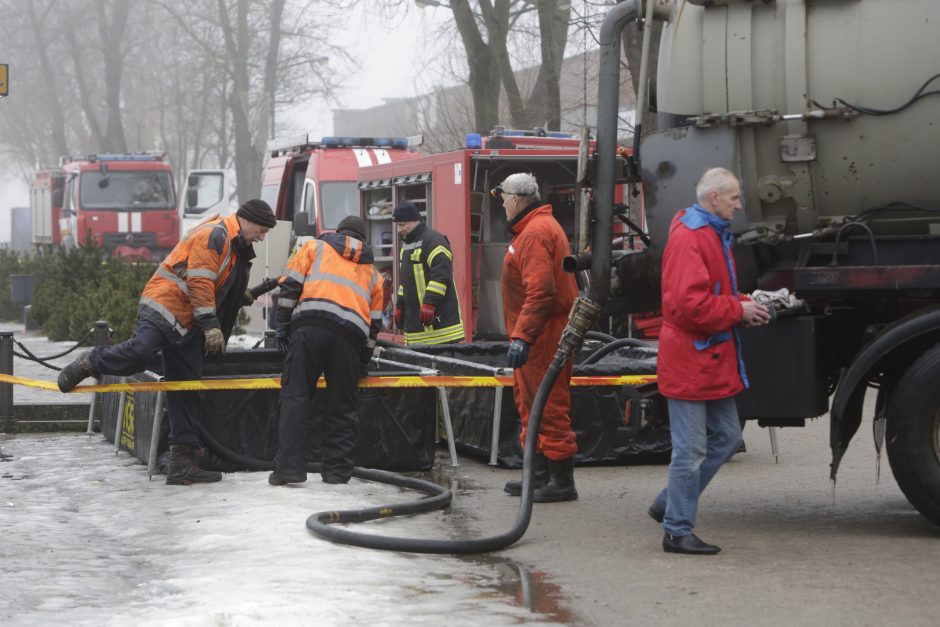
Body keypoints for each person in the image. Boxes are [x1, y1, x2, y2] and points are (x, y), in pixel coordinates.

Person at [57, 200, 275, 485]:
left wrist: (239, 294)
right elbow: (199, 282)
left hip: (188, 324)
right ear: (247, 220)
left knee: (186, 390)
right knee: (140, 353)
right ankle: (92, 361)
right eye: (262, 229)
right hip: (166, 309)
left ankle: (182, 464)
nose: (262, 236)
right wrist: (211, 326)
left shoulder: (233, 244)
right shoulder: (216, 235)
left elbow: (215, 279)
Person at [649, 167, 771, 555]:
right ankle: (676, 530)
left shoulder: (704, 231)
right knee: (690, 451)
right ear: (714, 198)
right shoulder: (694, 238)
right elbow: (689, 307)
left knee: (728, 437)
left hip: (704, 358)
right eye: (734, 198)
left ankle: (670, 504)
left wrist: (738, 302)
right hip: (694, 359)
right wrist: (738, 309)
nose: (740, 204)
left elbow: (700, 298)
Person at [269, 215, 383, 486]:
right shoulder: (374, 274)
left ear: (338, 231)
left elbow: (289, 288)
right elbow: (374, 324)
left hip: (309, 328)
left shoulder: (313, 248)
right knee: (343, 406)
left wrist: (282, 328)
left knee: (296, 399)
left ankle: (289, 470)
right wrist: (362, 360)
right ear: (363, 240)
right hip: (350, 339)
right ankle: (337, 473)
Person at [497, 172, 579, 503]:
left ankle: (560, 481)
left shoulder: (533, 234)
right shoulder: (536, 228)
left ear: (516, 199)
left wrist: (524, 337)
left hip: (544, 333)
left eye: (502, 196)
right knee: (532, 402)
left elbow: (541, 291)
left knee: (548, 405)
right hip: (539, 331)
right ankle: (540, 474)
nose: (501, 202)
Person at [392, 202, 465, 345]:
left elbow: (441, 277)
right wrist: (400, 306)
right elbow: (405, 283)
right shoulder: (406, 246)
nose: (398, 229)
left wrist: (429, 304)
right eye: (397, 225)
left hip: (441, 328)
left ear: (415, 221)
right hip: (417, 328)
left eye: (402, 224)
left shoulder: (434, 241)